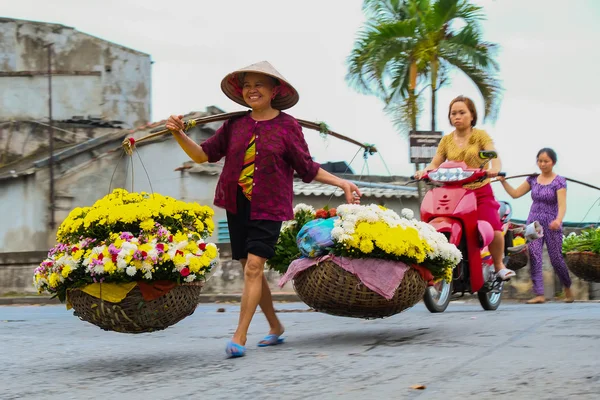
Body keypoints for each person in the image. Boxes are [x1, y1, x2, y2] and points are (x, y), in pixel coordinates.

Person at [165, 61, 362, 357]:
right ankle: (275, 327)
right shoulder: (234, 125)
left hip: (269, 205)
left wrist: (342, 183)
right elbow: (203, 155)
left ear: (274, 91)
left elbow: (307, 168)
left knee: (254, 268)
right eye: (247, 85)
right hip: (236, 203)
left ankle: (239, 336)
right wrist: (179, 134)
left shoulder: (288, 126)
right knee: (250, 271)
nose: (251, 90)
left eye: (259, 84)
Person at [414, 95, 515, 281]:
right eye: (453, 113)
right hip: (452, 192)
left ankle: (499, 265)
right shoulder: (446, 140)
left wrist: (495, 168)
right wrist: (424, 171)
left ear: (471, 115)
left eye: (462, 112)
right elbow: (435, 163)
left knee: (494, 230)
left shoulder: (480, 136)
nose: (457, 116)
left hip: (479, 191)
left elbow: (493, 153)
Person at [499, 148, 574, 304]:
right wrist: (503, 182)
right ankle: (539, 294)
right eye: (540, 161)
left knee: (556, 259)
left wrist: (558, 220)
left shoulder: (559, 181)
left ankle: (567, 287)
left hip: (552, 222)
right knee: (534, 256)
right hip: (534, 222)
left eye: (546, 161)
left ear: (553, 162)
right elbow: (515, 194)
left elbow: (562, 205)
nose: (542, 164)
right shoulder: (532, 180)